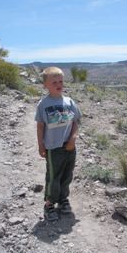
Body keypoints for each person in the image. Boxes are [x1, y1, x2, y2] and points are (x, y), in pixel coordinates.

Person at [35, 67, 81, 221]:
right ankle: (49, 203)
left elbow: (75, 122)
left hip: (69, 147)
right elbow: (40, 126)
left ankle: (62, 199)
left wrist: (73, 139)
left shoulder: (69, 102)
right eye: (54, 82)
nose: (58, 84)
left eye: (60, 81)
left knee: (67, 175)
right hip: (53, 148)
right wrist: (41, 145)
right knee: (54, 177)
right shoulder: (43, 104)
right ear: (45, 85)